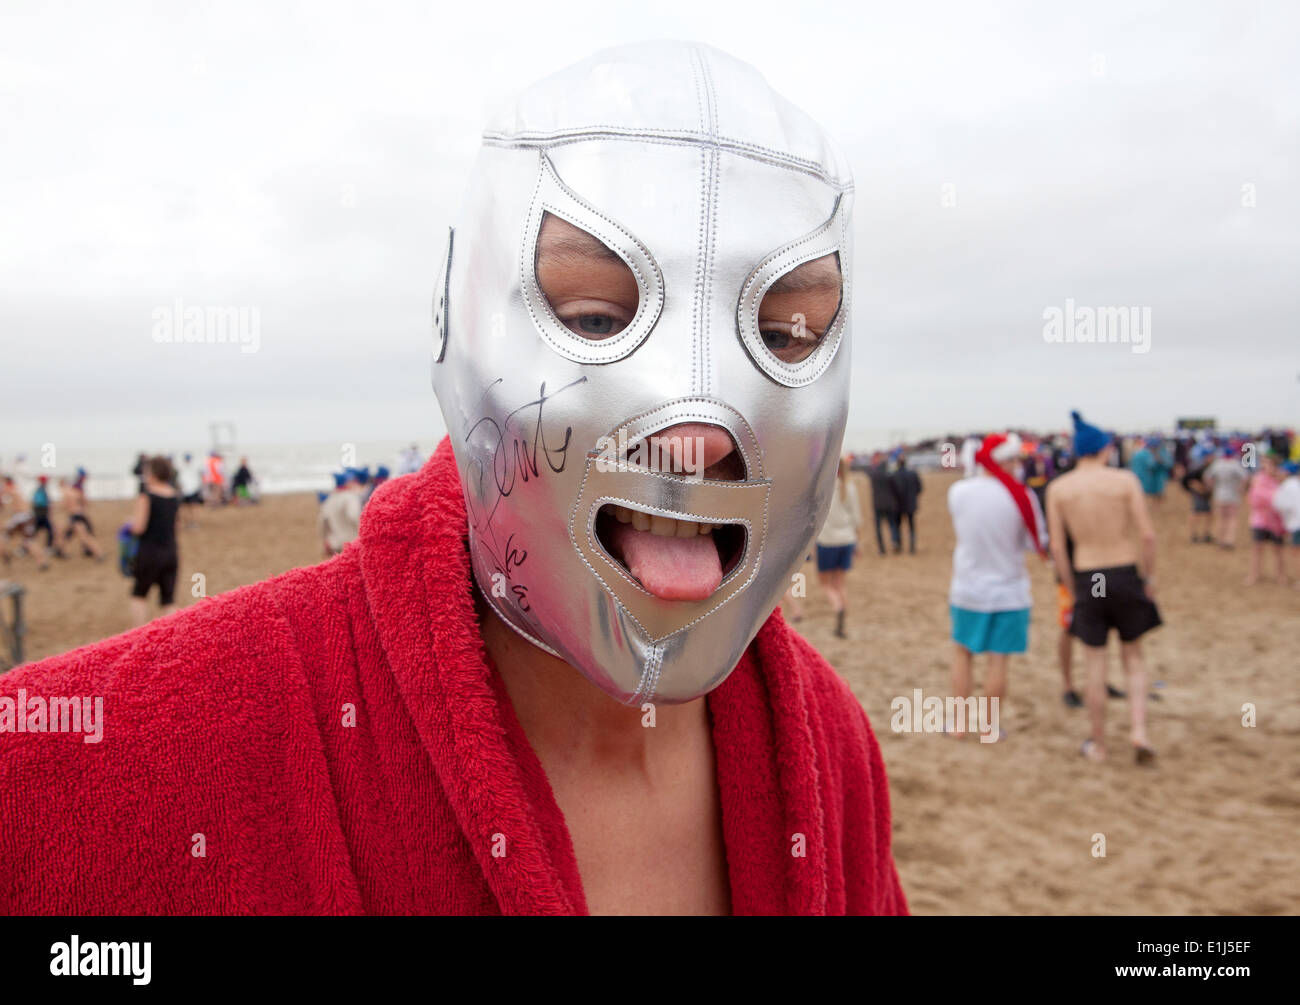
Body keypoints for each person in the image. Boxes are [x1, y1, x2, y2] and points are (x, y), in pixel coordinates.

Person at [0, 43, 905, 916]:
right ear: (456, 314)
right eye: (594, 316)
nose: (700, 434)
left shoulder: (831, 752)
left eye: (788, 333)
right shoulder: (86, 758)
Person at [1046, 411, 1160, 766]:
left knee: (1094, 664)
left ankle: (1099, 743)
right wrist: (1149, 577)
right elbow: (1147, 535)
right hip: (1123, 570)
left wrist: (1071, 586)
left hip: (1089, 575)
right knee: (1134, 657)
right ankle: (1138, 731)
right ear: (1104, 449)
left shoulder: (1060, 488)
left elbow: (1058, 548)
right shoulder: (1124, 481)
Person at [946, 433, 1046, 740]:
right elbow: (1036, 543)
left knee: (963, 654)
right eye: (1016, 460)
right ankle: (989, 726)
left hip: (968, 588)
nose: (1019, 466)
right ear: (1006, 461)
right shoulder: (1021, 496)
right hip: (1009, 591)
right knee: (998, 659)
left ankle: (960, 725)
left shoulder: (959, 491)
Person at [127, 455, 180, 628]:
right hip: (171, 552)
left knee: (139, 595)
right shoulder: (174, 495)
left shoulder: (146, 496)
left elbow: (139, 528)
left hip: (149, 552)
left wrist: (129, 526)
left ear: (154, 474)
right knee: (168, 600)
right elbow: (176, 526)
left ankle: (140, 638)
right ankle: (174, 638)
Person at [815, 456, 861, 639]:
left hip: (827, 541)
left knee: (826, 584)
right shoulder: (849, 488)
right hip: (847, 539)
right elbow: (857, 518)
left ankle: (838, 608)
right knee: (840, 583)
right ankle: (844, 618)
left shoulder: (822, 488)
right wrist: (858, 542)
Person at [1244, 452, 1286, 586]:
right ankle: (1254, 574)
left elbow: (1283, 498)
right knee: (1257, 548)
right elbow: (1253, 498)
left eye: (1267, 463)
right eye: (1263, 463)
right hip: (1260, 519)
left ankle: (1280, 575)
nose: (1264, 466)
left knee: (1278, 549)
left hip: (1276, 520)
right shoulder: (1258, 478)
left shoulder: (1281, 479)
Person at [1206, 445, 1247, 548]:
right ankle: (1229, 540)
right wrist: (1241, 489)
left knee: (1220, 518)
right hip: (1233, 495)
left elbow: (1207, 477)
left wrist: (1212, 487)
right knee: (1232, 518)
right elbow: (1245, 477)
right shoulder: (1235, 464)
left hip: (1220, 494)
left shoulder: (1217, 464)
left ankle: (1220, 539)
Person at [318, 470, 364, 558]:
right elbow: (354, 516)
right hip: (351, 543)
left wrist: (325, 540)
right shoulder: (350, 497)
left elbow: (322, 524)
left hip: (335, 544)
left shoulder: (329, 500)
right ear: (346, 482)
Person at [59, 469, 103, 560]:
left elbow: (65, 506)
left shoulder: (65, 493)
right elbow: (85, 502)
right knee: (65, 535)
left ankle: (98, 553)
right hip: (79, 515)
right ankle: (62, 552)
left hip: (75, 517)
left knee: (84, 537)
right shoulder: (75, 491)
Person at [1272, 461, 1300, 586]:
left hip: (1296, 523)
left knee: (1297, 552)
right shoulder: (1295, 484)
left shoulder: (1287, 486)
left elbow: (1279, 504)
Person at [867, 453, 900, 555]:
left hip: (877, 504)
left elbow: (868, 472)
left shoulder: (874, 475)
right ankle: (894, 541)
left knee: (878, 528)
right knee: (892, 525)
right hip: (889, 503)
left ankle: (882, 549)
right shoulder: (889, 475)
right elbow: (895, 488)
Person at [890, 452, 922, 554]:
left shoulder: (894, 475)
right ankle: (912, 547)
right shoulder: (913, 474)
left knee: (897, 526)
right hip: (910, 504)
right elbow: (919, 488)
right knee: (911, 526)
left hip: (897, 505)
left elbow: (892, 491)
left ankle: (898, 545)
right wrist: (913, 497)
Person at [1180, 449, 1213, 543]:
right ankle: (1193, 535)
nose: (1212, 458)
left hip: (1203, 494)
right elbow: (1190, 481)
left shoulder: (1206, 467)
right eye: (1210, 456)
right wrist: (1201, 489)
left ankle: (1205, 534)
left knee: (1208, 514)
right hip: (1199, 494)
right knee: (1196, 513)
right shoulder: (1199, 468)